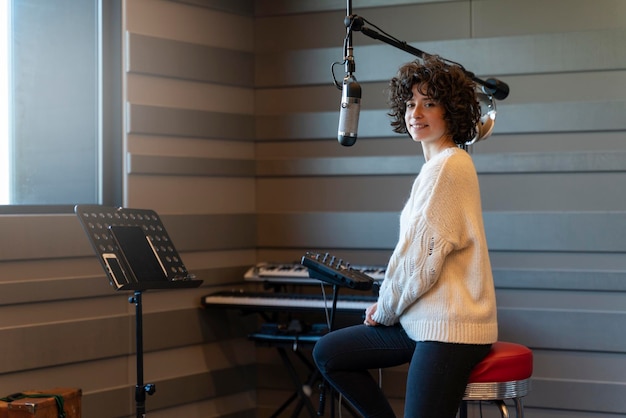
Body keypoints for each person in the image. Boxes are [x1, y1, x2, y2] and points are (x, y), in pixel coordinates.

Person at [312, 55, 498, 418]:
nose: (416, 112)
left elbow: (419, 262)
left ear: (451, 111)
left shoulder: (449, 166)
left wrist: (384, 310)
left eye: (429, 103)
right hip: (423, 321)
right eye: (411, 103)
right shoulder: (437, 166)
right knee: (329, 354)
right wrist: (389, 310)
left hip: (450, 329)